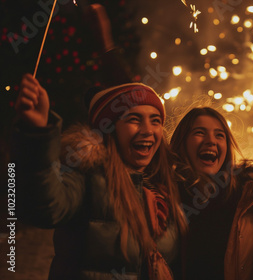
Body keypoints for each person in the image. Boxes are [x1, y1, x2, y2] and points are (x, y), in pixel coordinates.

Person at [12, 74, 187, 279]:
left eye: (155, 121)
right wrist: (37, 134)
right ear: (110, 129)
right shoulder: (86, 175)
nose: (148, 130)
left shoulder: (164, 189)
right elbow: (45, 208)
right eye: (134, 119)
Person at [169, 107, 253, 280]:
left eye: (219, 135)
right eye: (200, 132)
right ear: (182, 142)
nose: (211, 141)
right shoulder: (162, 197)